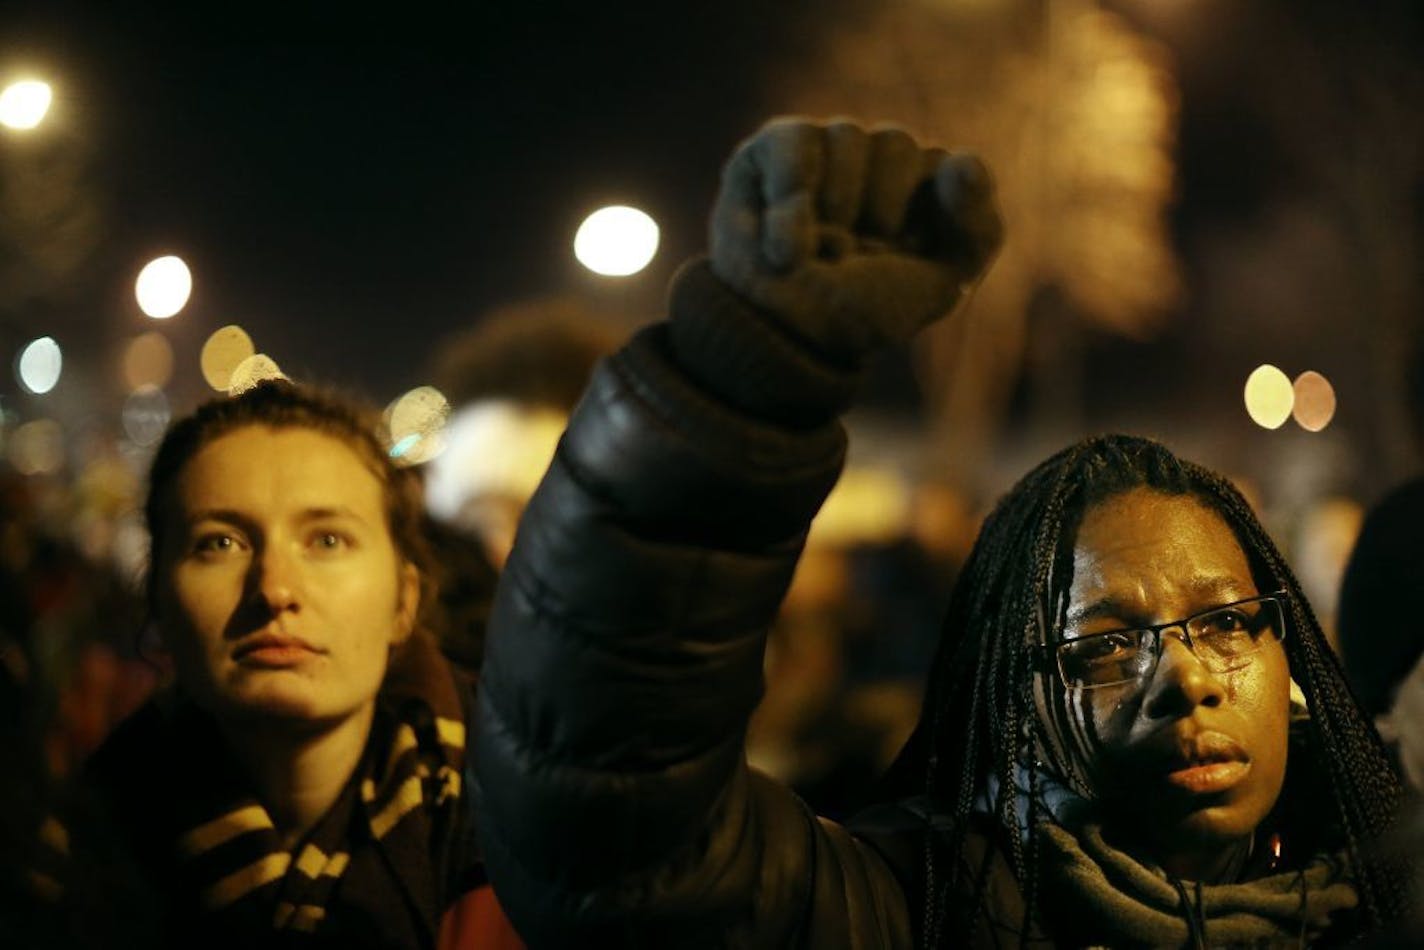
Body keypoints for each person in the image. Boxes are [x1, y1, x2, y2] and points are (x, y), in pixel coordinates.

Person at [473, 118, 1413, 946]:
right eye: (1108, 644)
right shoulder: (911, 913)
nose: (1190, 679)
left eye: (1223, 621)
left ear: (1290, 658)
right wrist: (736, 390)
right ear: (1019, 699)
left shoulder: (1397, 897)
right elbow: (616, 838)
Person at [63, 382, 516, 947]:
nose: (275, 589)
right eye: (220, 543)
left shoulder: (541, 836)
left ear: (403, 601)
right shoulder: (70, 856)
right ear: (157, 601)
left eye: (327, 540)